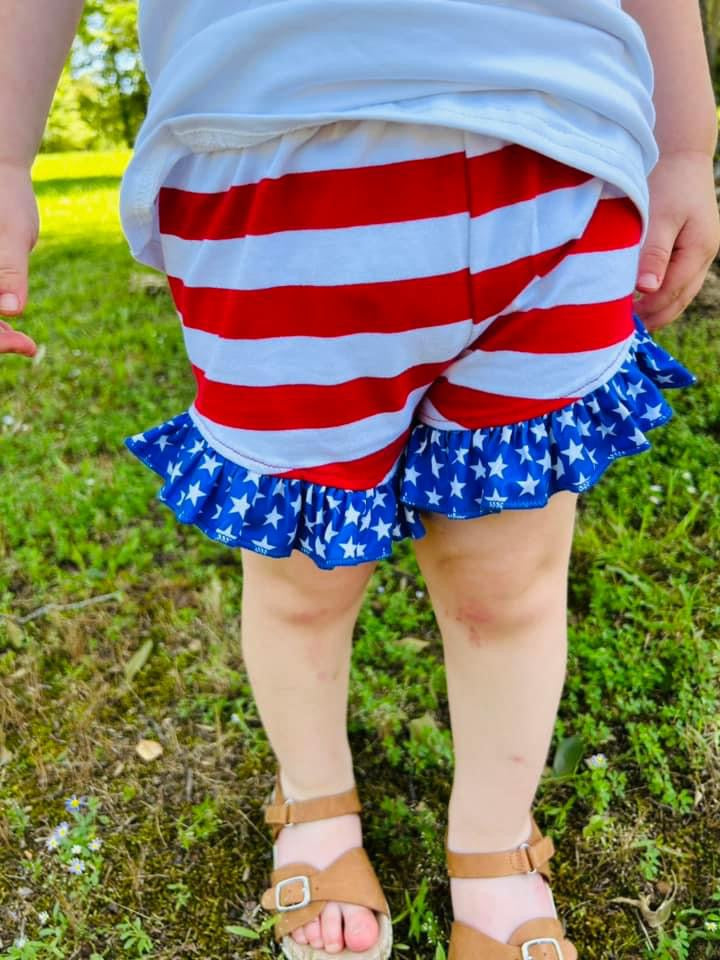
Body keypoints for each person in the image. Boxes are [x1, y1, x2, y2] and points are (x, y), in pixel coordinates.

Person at [2, 1, 718, 958]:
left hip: (564, 154)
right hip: (273, 168)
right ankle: (315, 801)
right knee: (303, 584)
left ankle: (495, 839)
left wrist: (685, 148)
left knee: (509, 587)